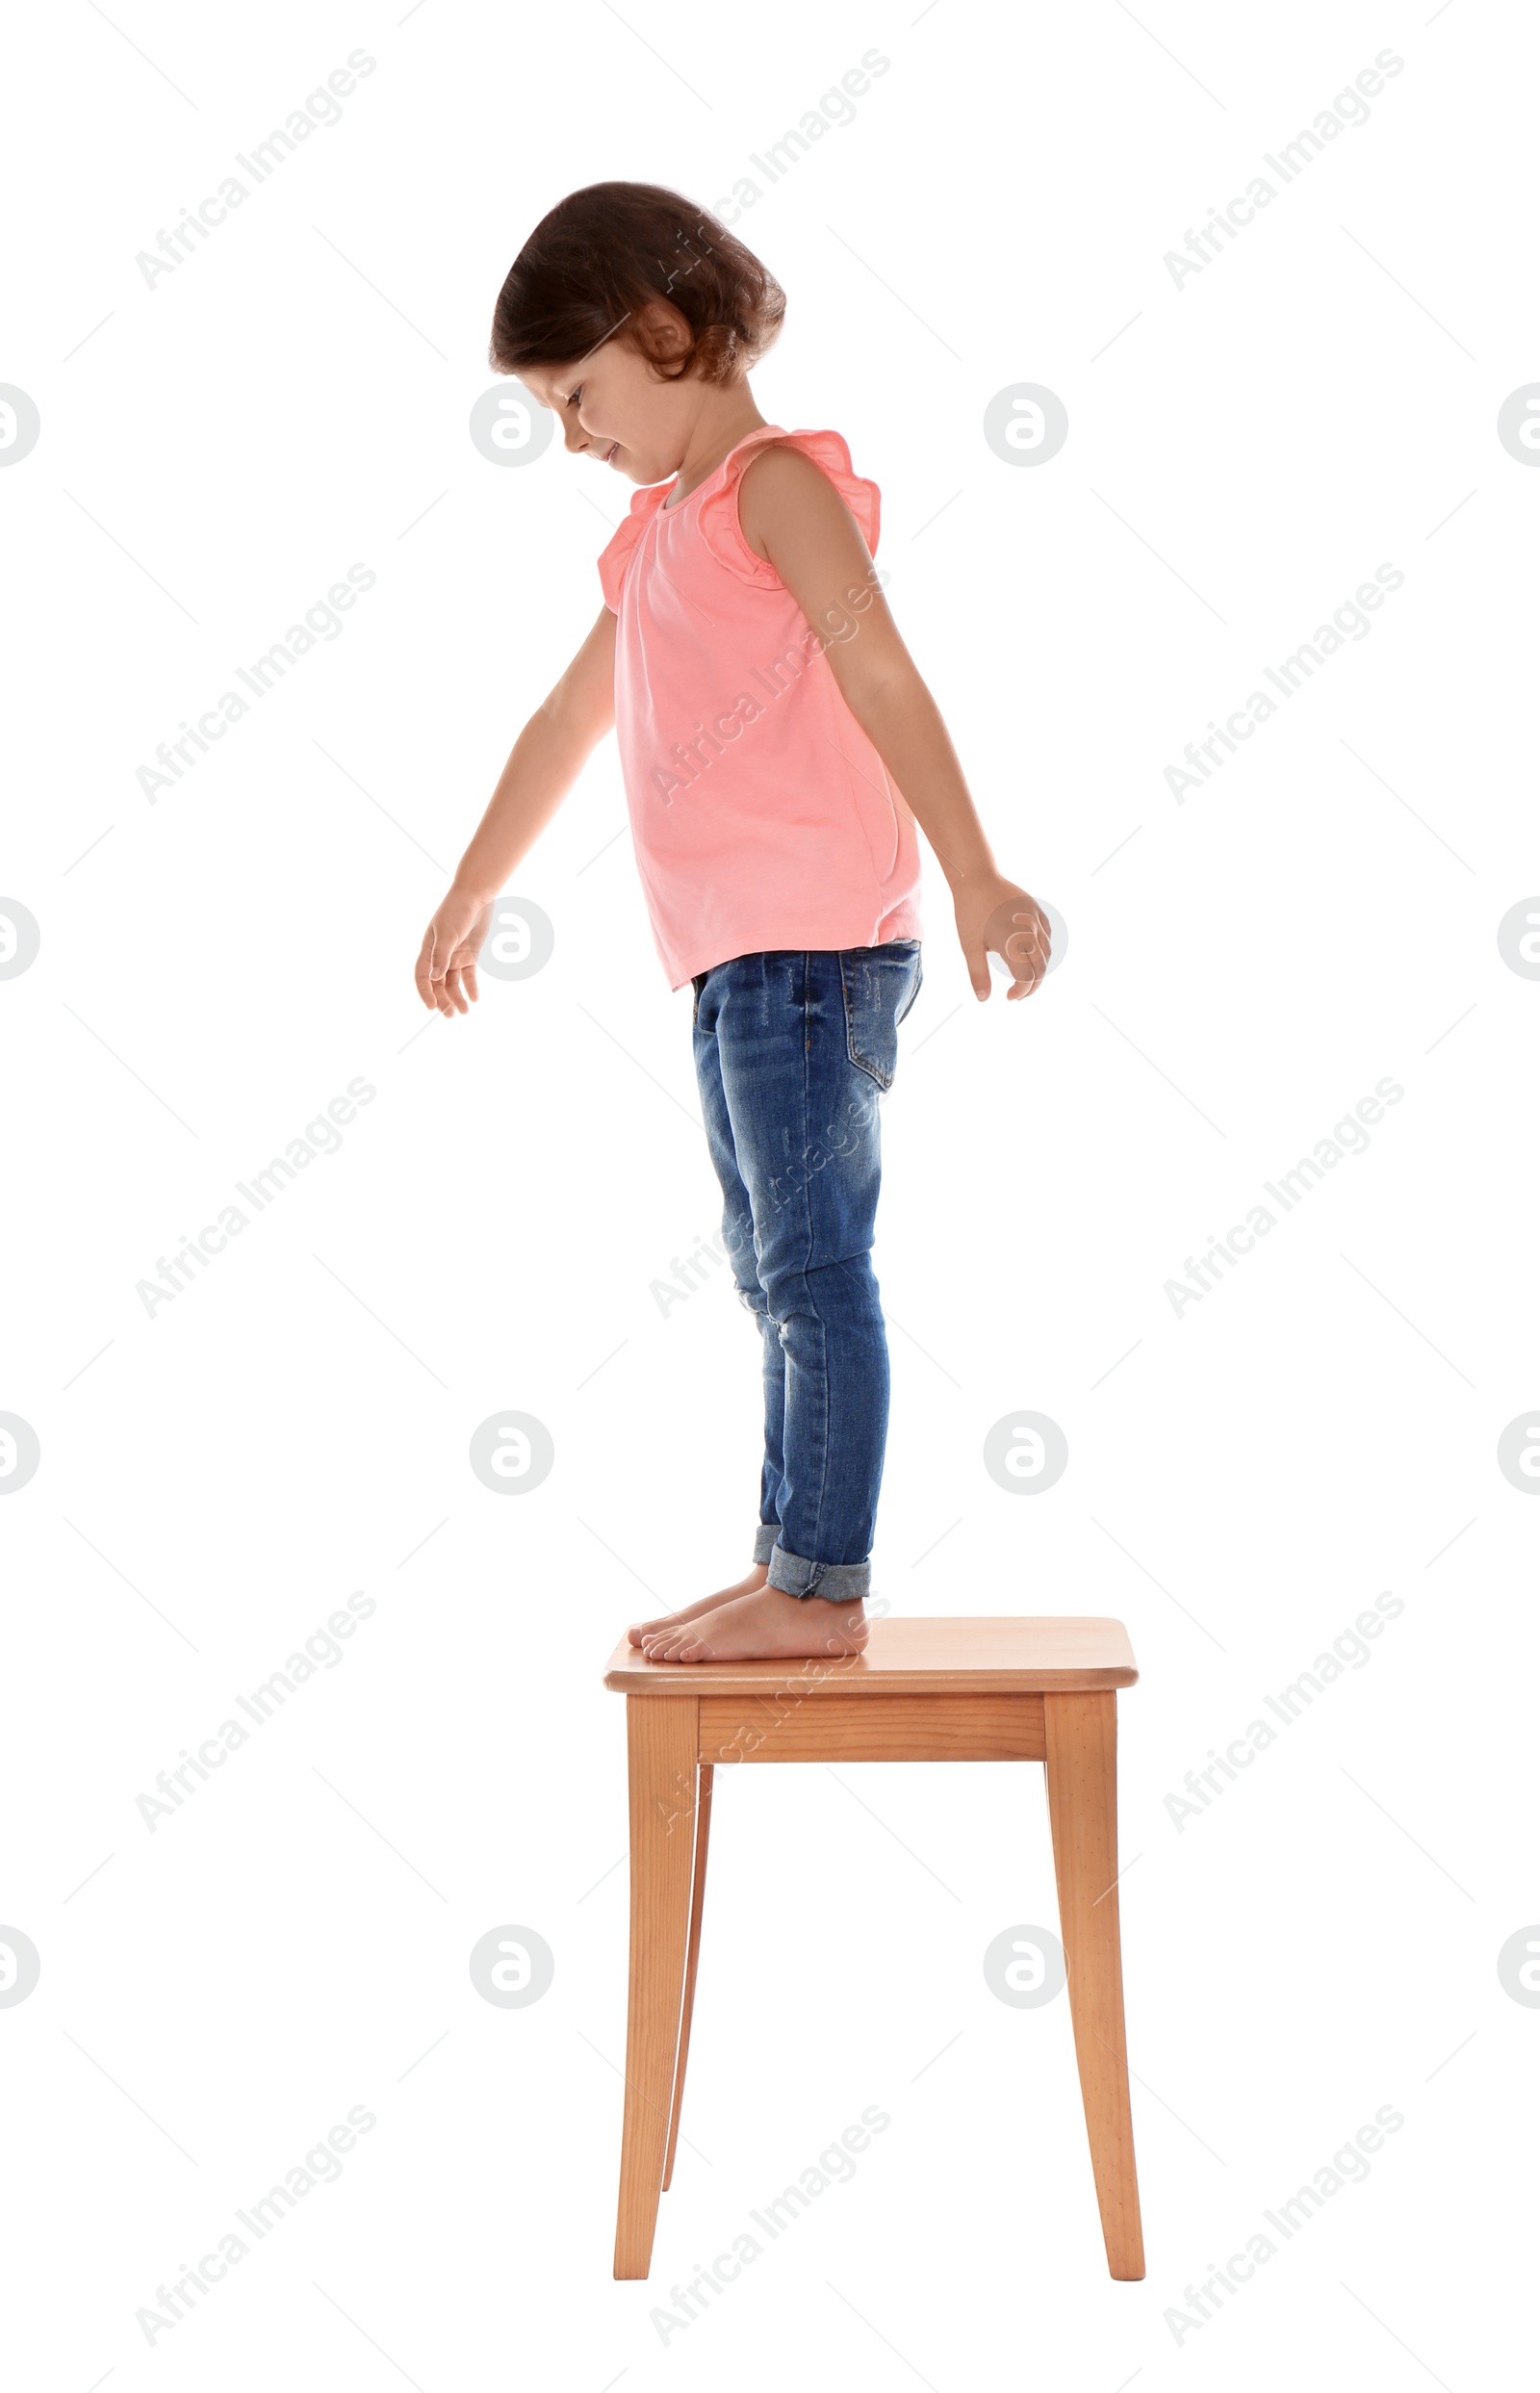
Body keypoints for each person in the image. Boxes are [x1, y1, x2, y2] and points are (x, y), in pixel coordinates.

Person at [414, 182, 1049, 1664]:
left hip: (816, 953)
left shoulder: (773, 487)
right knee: (771, 1268)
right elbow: (567, 721)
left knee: (817, 1266)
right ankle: (790, 1559)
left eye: (579, 395)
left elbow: (883, 675)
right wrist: (472, 880)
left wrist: (974, 871)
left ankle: (821, 1585)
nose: (574, 436)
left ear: (665, 328)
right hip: (728, 965)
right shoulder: (654, 539)